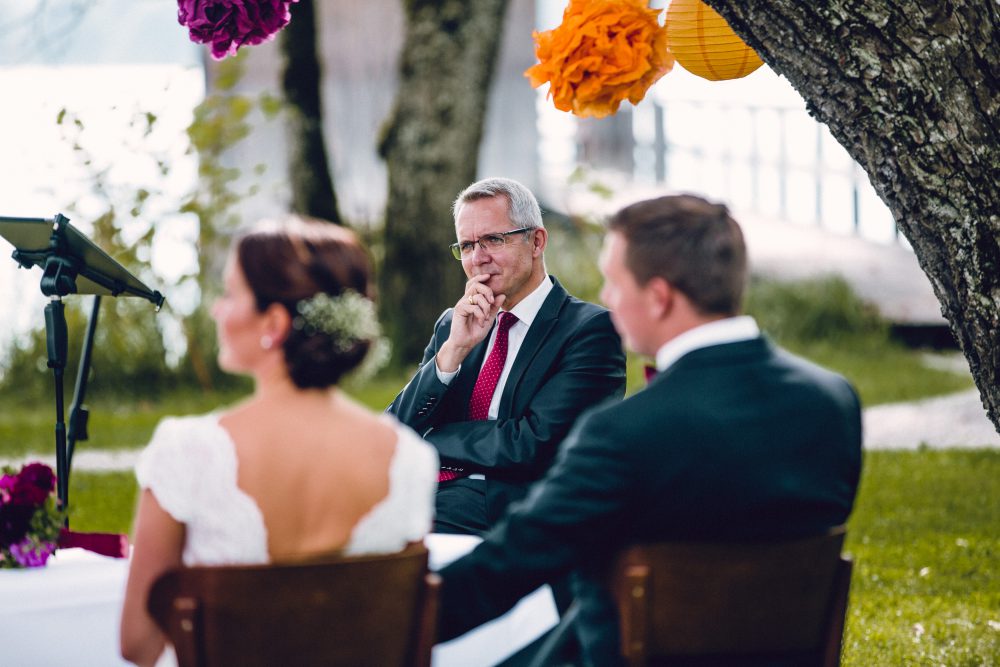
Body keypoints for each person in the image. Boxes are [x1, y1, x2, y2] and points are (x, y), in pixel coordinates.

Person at [436, 194, 863, 664]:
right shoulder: (833, 401)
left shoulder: (622, 435)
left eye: (613, 283)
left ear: (658, 298)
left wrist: (396, 609)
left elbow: (510, 565)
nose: (606, 298)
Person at [119, 216, 438, 667]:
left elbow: (138, 642)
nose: (216, 310)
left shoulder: (187, 452)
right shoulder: (408, 459)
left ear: (273, 321)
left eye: (230, 294)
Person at [387, 177, 626, 535]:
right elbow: (397, 429)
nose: (478, 258)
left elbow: (533, 444)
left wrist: (432, 439)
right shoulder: (454, 325)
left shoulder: (590, 330)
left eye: (493, 240)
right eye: (467, 245)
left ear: (537, 241)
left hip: (511, 507)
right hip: (424, 491)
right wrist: (452, 353)